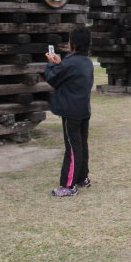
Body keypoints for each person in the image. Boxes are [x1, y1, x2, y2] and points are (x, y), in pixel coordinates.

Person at [45, 26, 95, 197]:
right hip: (83, 110)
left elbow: (53, 78)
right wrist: (60, 63)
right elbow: (68, 73)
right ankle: (82, 177)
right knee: (81, 144)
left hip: (71, 111)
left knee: (72, 147)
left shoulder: (70, 62)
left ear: (73, 43)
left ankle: (68, 185)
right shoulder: (86, 61)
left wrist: (51, 63)